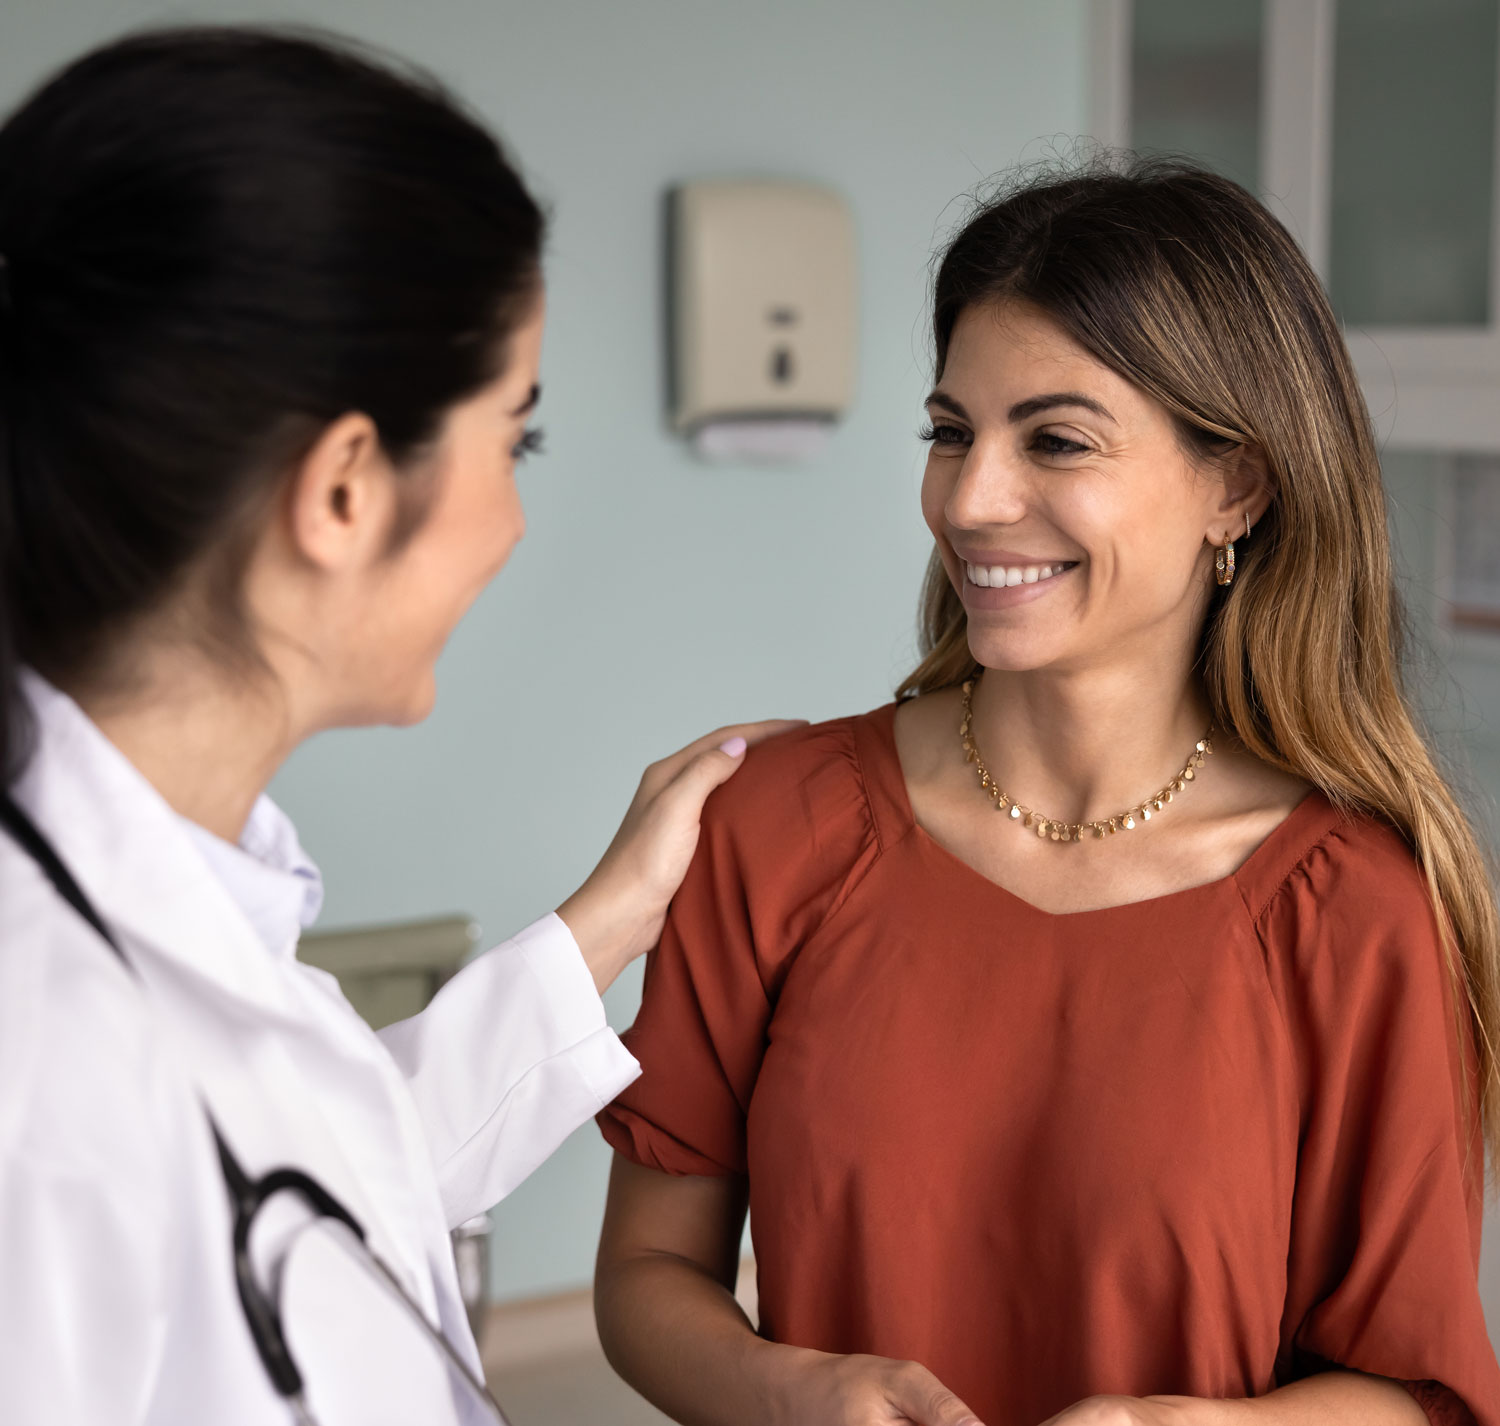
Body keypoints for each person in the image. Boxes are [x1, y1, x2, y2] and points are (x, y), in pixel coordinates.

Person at [593, 160, 1500, 1426]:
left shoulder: (1355, 909)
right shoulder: (774, 827)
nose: (969, 500)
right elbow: (645, 1278)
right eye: (951, 431)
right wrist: (786, 1393)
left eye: (1056, 440)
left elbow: (1416, 1394)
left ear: (1235, 486)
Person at [0, 27, 797, 1425]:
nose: (514, 519)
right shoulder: (41, 1058)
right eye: (515, 439)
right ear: (347, 492)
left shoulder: (170, 911)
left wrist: (610, 917)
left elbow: (304, 1186)